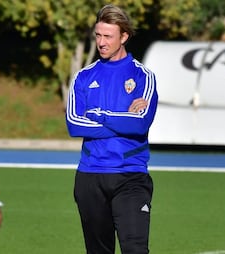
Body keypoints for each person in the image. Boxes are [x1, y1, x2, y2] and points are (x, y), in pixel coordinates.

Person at [65, 4, 158, 254]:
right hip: (90, 177)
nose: (101, 42)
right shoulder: (83, 77)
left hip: (130, 176)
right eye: (98, 35)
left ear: (124, 37)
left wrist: (99, 115)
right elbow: (74, 124)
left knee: (135, 249)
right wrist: (122, 118)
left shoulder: (142, 76)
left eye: (108, 36)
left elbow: (140, 123)